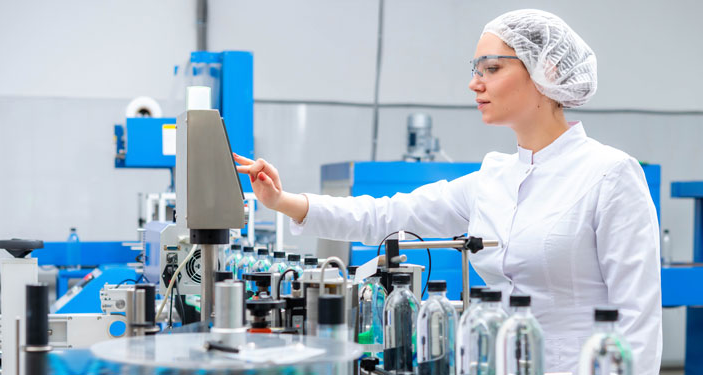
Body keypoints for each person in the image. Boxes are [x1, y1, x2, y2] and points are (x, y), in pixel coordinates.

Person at [235, 9, 662, 374]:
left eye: (492, 69)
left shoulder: (608, 175)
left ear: (546, 71)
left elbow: (639, 322)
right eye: (474, 70)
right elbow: (386, 217)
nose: (475, 83)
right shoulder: (492, 180)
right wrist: (282, 200)